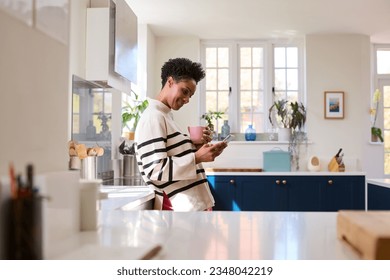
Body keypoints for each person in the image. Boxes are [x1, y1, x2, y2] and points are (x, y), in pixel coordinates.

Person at [134, 58, 227, 211]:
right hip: (182, 211)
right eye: (185, 91)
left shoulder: (166, 116)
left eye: (190, 95)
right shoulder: (153, 117)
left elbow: (173, 158)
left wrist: (196, 147)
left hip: (192, 208)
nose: (187, 99)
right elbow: (156, 170)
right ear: (170, 82)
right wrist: (197, 157)